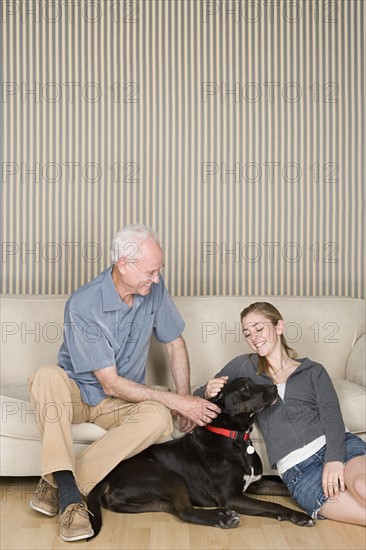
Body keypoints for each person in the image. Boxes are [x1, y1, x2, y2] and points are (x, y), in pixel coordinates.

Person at [28, 224, 220, 542]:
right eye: (151, 271)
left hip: (119, 403)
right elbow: (110, 383)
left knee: (159, 417)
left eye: (159, 271)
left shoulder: (153, 290)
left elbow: (175, 343)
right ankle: (72, 501)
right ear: (124, 265)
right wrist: (178, 401)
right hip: (76, 395)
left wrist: (183, 397)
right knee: (46, 376)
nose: (156, 279)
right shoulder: (84, 303)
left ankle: (60, 483)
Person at [194, 301, 366, 526]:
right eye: (247, 333)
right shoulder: (243, 366)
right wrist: (206, 390)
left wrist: (334, 459)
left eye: (259, 328)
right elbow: (199, 395)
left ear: (279, 327)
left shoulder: (313, 371)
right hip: (300, 472)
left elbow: (332, 417)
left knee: (361, 486)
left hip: (341, 449)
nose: (253, 337)